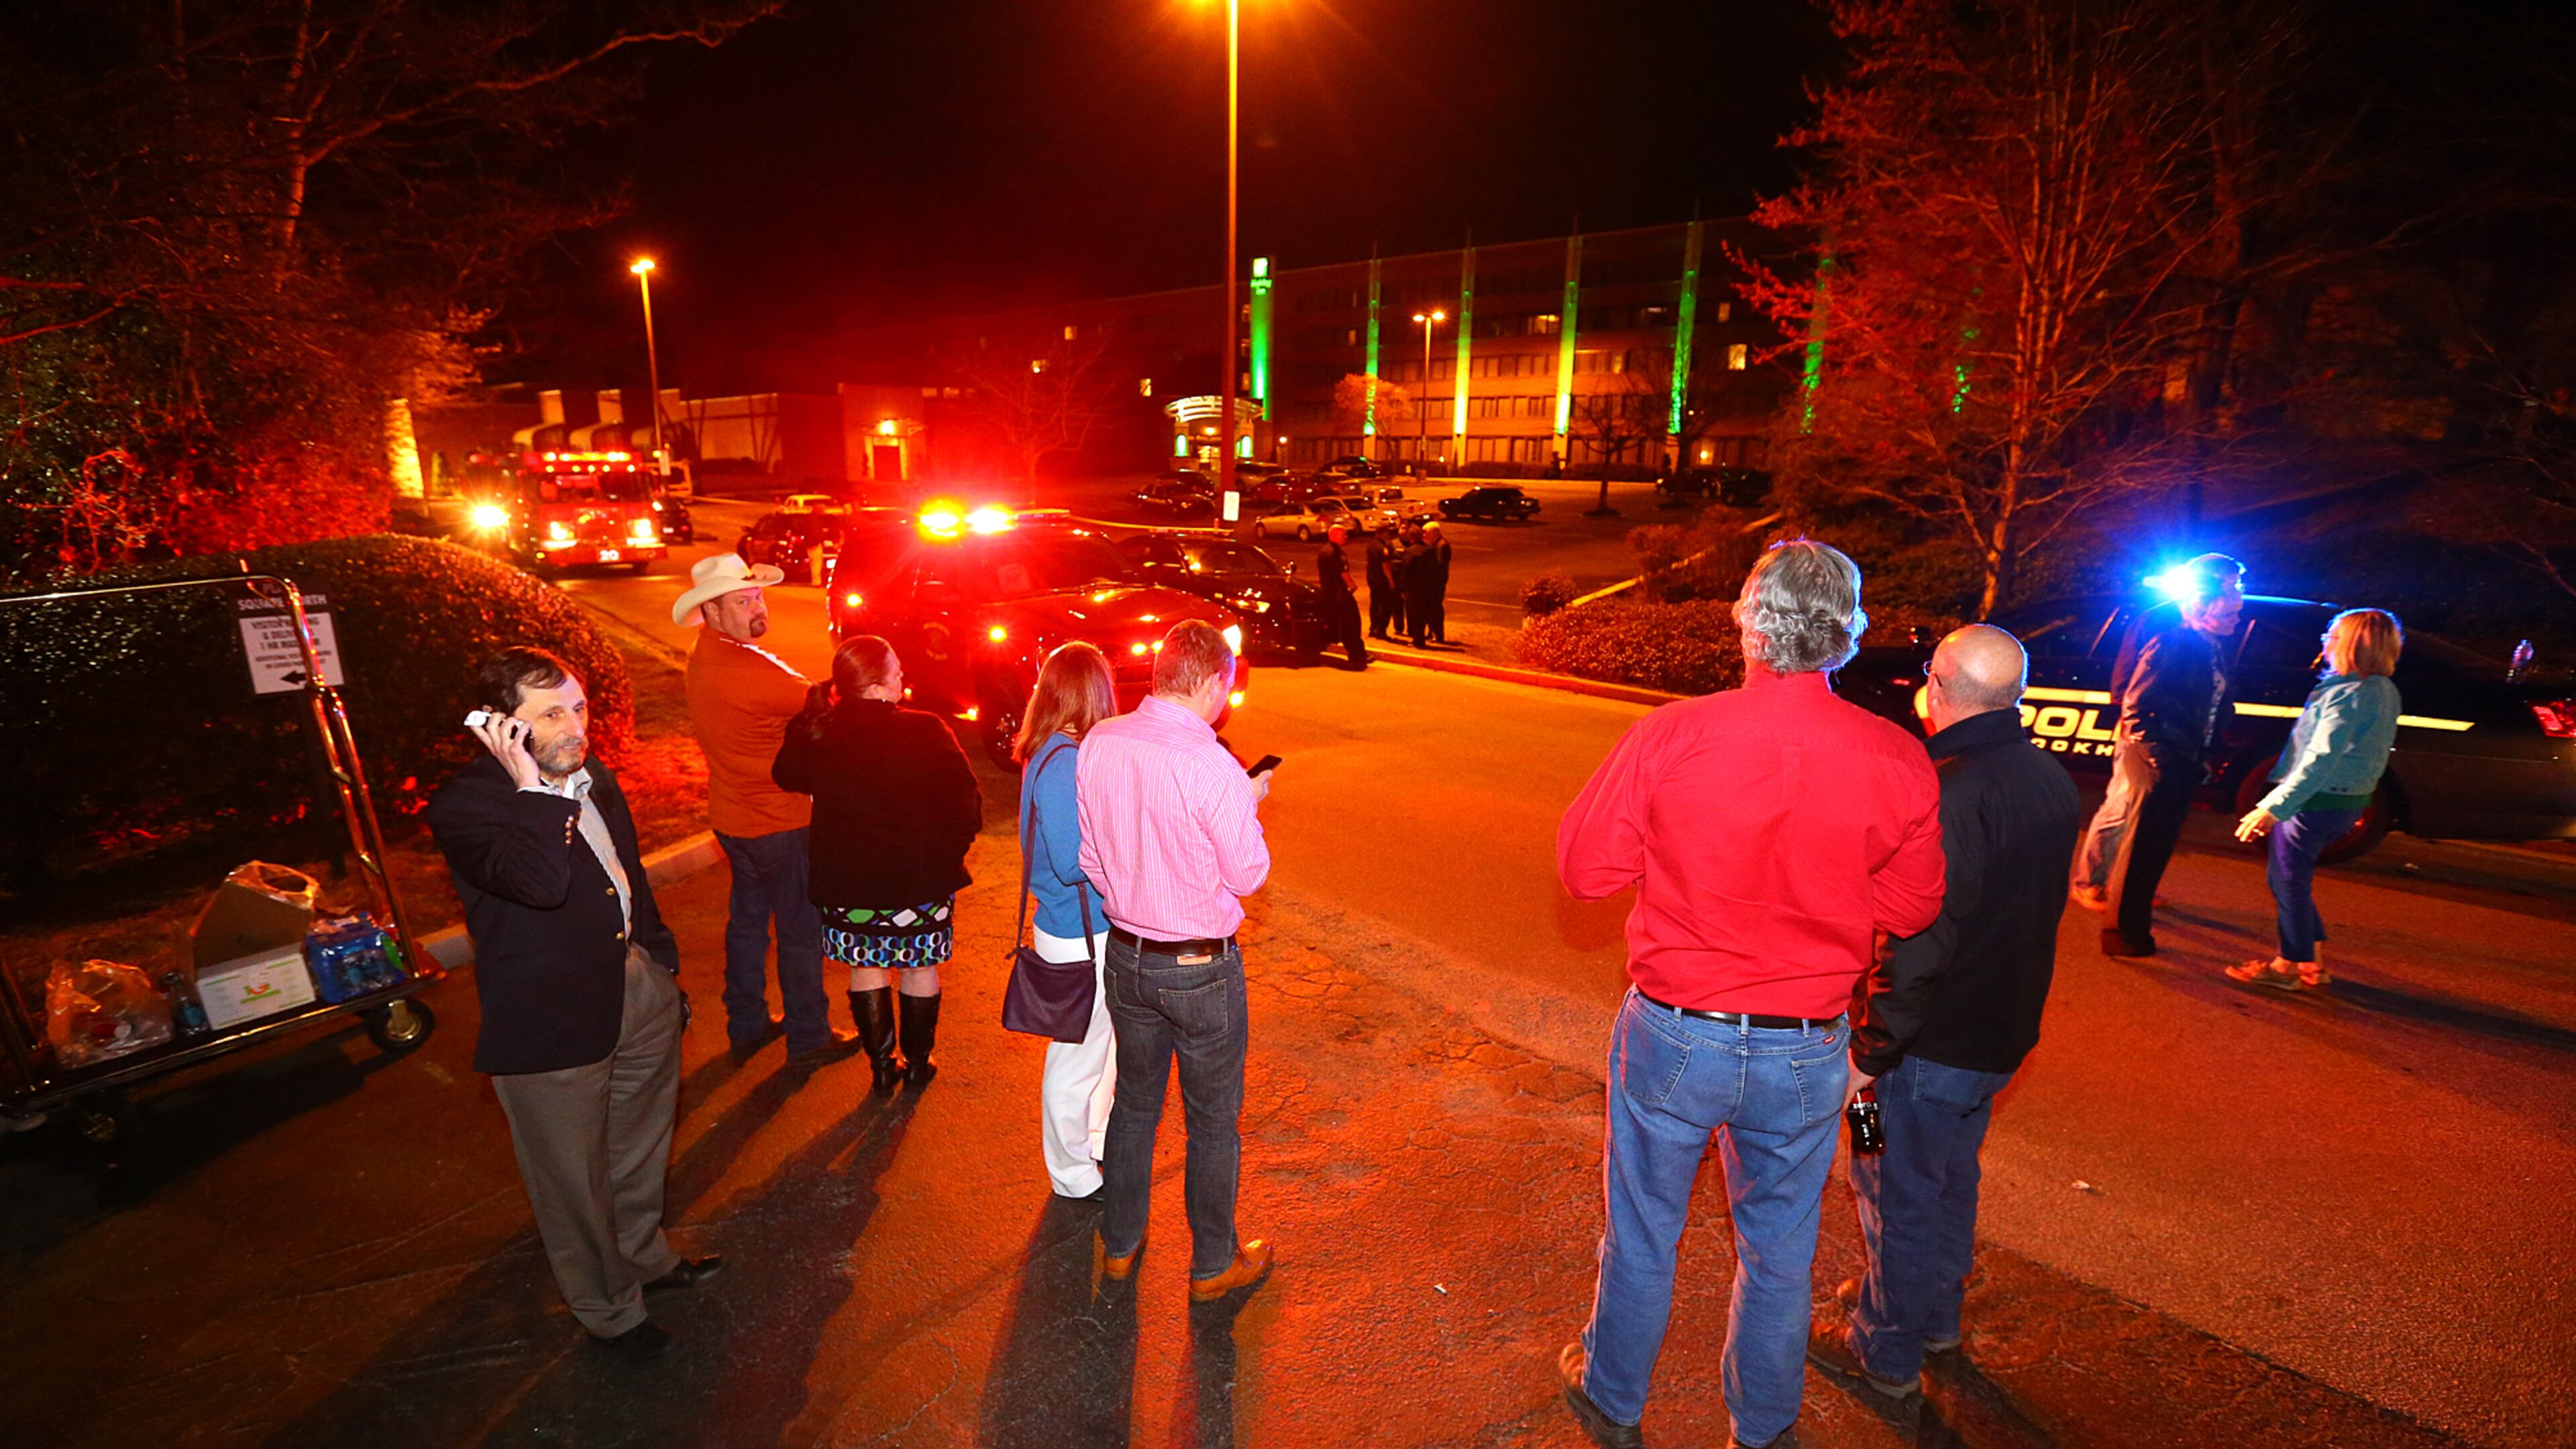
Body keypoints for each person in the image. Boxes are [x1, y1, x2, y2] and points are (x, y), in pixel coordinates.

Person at [1555, 541, 1945, 1449]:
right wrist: (1834, 897)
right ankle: (1762, 1429)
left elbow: (1584, 871)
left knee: (1645, 1228)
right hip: (1808, 1047)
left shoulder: (1671, 735)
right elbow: (1915, 903)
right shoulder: (1896, 757)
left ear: (1747, 620)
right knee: (1780, 1252)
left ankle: (1614, 1394)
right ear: (1850, 636)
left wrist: (1674, 858)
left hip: (1676, 1032)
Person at [1804, 626, 2080, 1399]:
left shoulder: (1948, 789)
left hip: (1924, 1050)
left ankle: (1883, 1349)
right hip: (1997, 1039)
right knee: (1950, 1180)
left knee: (1889, 1184)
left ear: (1942, 686)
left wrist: (1870, 1049)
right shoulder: (2046, 777)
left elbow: (1918, 939)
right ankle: (1932, 1316)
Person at [427, 647, 718, 1361]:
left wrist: (662, 966)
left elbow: (630, 879)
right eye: (551, 713)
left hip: (635, 991)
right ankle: (609, 1311)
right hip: (550, 1021)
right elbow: (537, 883)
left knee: (639, 1149)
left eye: (579, 706)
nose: (574, 724)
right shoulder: (466, 806)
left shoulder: (597, 780)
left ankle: (644, 1258)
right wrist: (536, 789)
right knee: (574, 1183)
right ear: (501, 728)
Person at [1076, 620, 1277, 1303]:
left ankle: (1120, 1247)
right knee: (1212, 1121)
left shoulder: (1100, 741)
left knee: (1134, 1103)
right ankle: (1213, 1265)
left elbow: (1092, 860)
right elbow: (1247, 872)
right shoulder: (1211, 764)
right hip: (1199, 969)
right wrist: (1247, 803)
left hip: (1127, 957)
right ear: (1213, 682)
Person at [771, 636, 982, 1092]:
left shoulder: (823, 730)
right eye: (898, 670)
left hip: (849, 884)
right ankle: (918, 1061)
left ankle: (882, 1067)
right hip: (920, 883)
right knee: (919, 966)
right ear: (879, 681)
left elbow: (786, 774)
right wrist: (949, 854)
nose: (904, 677)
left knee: (865, 966)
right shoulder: (926, 729)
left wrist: (811, 718)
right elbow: (965, 804)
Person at [675, 552, 852, 1062]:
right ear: (710, 611)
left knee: (749, 926)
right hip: (781, 823)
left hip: (733, 818)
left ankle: (747, 1022)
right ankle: (809, 1035)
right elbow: (826, 704)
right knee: (800, 931)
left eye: (757, 596)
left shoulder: (706, 654)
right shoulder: (749, 672)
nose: (759, 609)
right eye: (742, 600)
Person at [2226, 608, 2404, 991]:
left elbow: (2321, 758)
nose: (2325, 640)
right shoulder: (2378, 689)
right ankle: (2312, 963)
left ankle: (2287, 965)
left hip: (2317, 801)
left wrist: (2271, 807)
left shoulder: (2351, 694)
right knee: (2292, 881)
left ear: (2356, 644)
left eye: (2334, 635)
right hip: (2347, 800)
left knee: (2287, 882)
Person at [1016, 642, 1122, 1197]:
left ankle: (1093, 1142)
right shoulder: (1065, 760)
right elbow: (1070, 858)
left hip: (1073, 927)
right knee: (1077, 1057)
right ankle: (1071, 1173)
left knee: (1097, 1047)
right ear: (1093, 693)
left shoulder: (1049, 751)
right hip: (1080, 931)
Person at [2101, 554, 2245, 957]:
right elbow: (2136, 705)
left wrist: (2211, 745)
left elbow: (2214, 704)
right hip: (2163, 756)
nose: (2240, 609)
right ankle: (2123, 933)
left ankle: (2131, 928)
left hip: (2183, 755)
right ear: (2206, 604)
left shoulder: (2213, 646)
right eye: (2232, 600)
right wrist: (2161, 755)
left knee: (2158, 844)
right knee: (2144, 842)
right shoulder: (2173, 642)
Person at [2068, 596, 2181, 910]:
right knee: (2122, 805)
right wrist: (2134, 724)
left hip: (2174, 733)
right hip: (2144, 731)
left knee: (2148, 813)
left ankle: (2128, 887)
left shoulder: (2204, 628)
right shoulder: (2159, 620)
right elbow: (2125, 679)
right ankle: (2090, 882)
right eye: (2228, 584)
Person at [1315, 526, 1371, 669]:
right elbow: (1344, 574)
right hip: (1340, 593)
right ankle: (1357, 654)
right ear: (1336, 535)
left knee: (1339, 624)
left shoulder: (1324, 551)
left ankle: (1353, 650)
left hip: (1328, 592)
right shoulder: (1338, 554)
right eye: (1344, 534)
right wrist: (1352, 586)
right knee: (1352, 623)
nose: (1346, 537)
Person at [1399, 520, 1439, 649]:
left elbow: (1406, 572)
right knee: (1424, 614)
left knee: (1414, 615)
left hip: (1414, 589)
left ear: (1411, 538)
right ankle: (1422, 637)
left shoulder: (1410, 552)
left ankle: (1418, 640)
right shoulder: (1430, 551)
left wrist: (1403, 589)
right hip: (1428, 588)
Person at [1366, 522, 1405, 641]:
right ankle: (1381, 630)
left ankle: (1373, 628)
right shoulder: (1383, 548)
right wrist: (1392, 581)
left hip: (1372, 578)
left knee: (1375, 604)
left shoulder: (1371, 545)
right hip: (1382, 580)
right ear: (1383, 533)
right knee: (1385, 606)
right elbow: (1386, 566)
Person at [1421, 520, 1454, 644]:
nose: (1424, 535)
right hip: (1433, 582)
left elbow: (1440, 565)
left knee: (1435, 609)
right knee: (1430, 608)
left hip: (1437, 583)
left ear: (1434, 533)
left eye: (1426, 532)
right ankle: (1432, 632)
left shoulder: (1442, 545)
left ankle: (1438, 634)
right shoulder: (1434, 544)